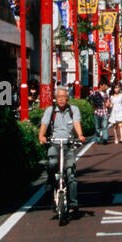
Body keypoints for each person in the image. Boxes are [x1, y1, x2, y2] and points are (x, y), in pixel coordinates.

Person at [38, 85, 85, 217]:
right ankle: (50, 180)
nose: (61, 99)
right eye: (58, 97)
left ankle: (73, 202)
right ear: (55, 98)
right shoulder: (50, 110)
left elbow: (76, 123)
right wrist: (41, 136)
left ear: (67, 98)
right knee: (52, 162)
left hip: (68, 144)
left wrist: (80, 135)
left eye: (63, 97)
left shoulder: (73, 110)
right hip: (54, 142)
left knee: (70, 173)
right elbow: (44, 124)